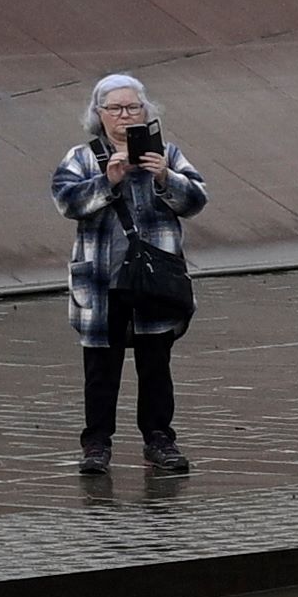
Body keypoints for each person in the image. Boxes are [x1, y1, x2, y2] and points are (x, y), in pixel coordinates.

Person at [60, 71, 204, 480]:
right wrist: (108, 180)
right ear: (99, 114)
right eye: (115, 109)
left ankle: (159, 439)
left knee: (155, 364)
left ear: (146, 112)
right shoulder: (82, 157)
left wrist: (164, 178)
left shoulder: (167, 154)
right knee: (101, 368)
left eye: (133, 107)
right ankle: (96, 444)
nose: (125, 116)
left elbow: (196, 199)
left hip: (155, 280)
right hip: (101, 281)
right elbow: (66, 201)